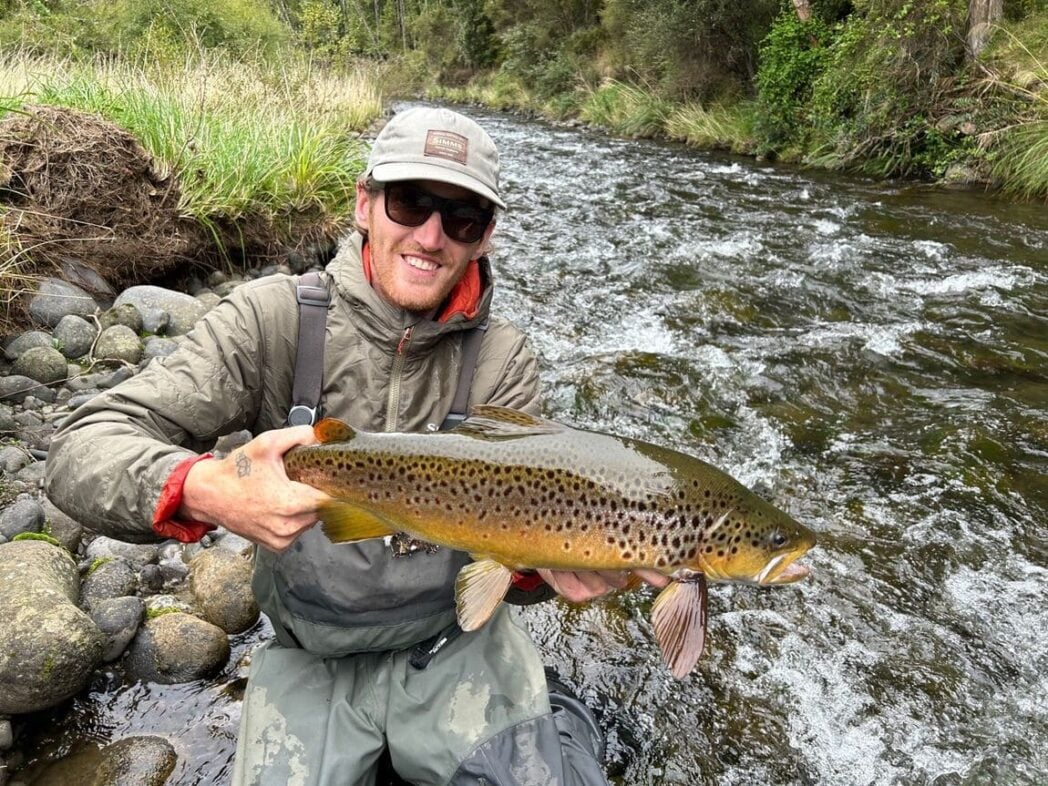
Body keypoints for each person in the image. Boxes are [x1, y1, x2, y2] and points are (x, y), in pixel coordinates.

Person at [45, 106, 664, 785]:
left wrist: (543, 568)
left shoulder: (503, 361)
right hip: (311, 654)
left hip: (451, 644)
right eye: (410, 202)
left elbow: (503, 567)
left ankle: (559, 713)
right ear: (364, 204)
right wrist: (204, 488)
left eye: (462, 218)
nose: (431, 236)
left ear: (484, 237)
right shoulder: (273, 319)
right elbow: (83, 445)